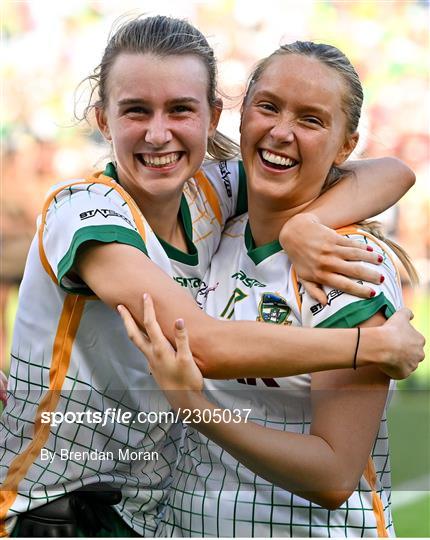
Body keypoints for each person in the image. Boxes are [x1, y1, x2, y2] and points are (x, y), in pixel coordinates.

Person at [0, 15, 423, 538]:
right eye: (136, 110)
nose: (159, 134)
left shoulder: (213, 191)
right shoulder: (83, 209)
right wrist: (368, 346)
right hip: (60, 513)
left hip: (149, 515)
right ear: (103, 120)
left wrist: (306, 225)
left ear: (215, 115)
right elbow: (197, 343)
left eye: (180, 109)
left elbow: (387, 171)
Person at [118, 41, 426, 537]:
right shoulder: (218, 230)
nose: (281, 132)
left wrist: (196, 408)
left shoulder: (345, 266)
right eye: (269, 107)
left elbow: (333, 474)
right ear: (240, 119)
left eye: (310, 120)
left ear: (346, 146)